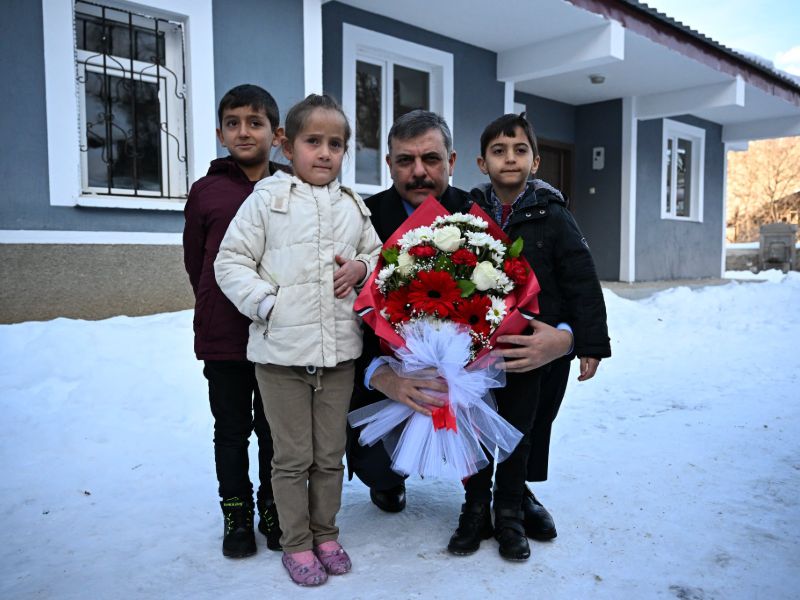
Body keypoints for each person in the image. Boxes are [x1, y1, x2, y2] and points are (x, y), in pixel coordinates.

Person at [214, 94, 381, 587]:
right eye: (314, 142)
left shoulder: (354, 207)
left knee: (329, 455)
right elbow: (231, 261)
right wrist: (267, 305)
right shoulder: (267, 199)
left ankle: (326, 533)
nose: (325, 153)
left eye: (336, 144)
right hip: (280, 357)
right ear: (288, 146)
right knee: (291, 457)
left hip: (338, 356)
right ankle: (296, 543)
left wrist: (361, 268)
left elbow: (379, 259)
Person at [460, 112, 611, 559]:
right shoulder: (468, 214)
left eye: (520, 150)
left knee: (521, 431)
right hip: (478, 353)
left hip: (532, 351)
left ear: (537, 161)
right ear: (481, 162)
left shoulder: (554, 214)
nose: (510, 158)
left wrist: (588, 342)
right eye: (499, 151)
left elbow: (582, 279)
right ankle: (474, 507)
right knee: (476, 427)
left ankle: (509, 511)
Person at [182, 84, 287, 558]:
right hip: (224, 336)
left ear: (276, 133)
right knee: (230, 428)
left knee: (272, 428)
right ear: (221, 133)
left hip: (278, 332)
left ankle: (271, 504)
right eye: (233, 123)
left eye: (255, 122)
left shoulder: (291, 186)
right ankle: (236, 510)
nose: (244, 131)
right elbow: (195, 261)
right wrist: (213, 304)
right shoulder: (206, 191)